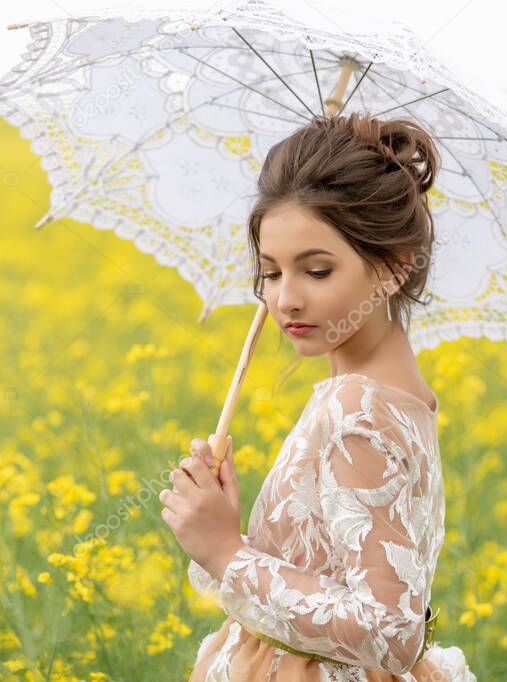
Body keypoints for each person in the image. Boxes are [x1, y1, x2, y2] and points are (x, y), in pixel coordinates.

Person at [160, 112, 477, 681]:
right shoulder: (390, 394)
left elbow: (390, 629)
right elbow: (331, 571)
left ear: (394, 268)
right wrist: (231, 531)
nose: (286, 300)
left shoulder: (362, 411)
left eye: (317, 270)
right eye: (271, 272)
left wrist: (226, 552)